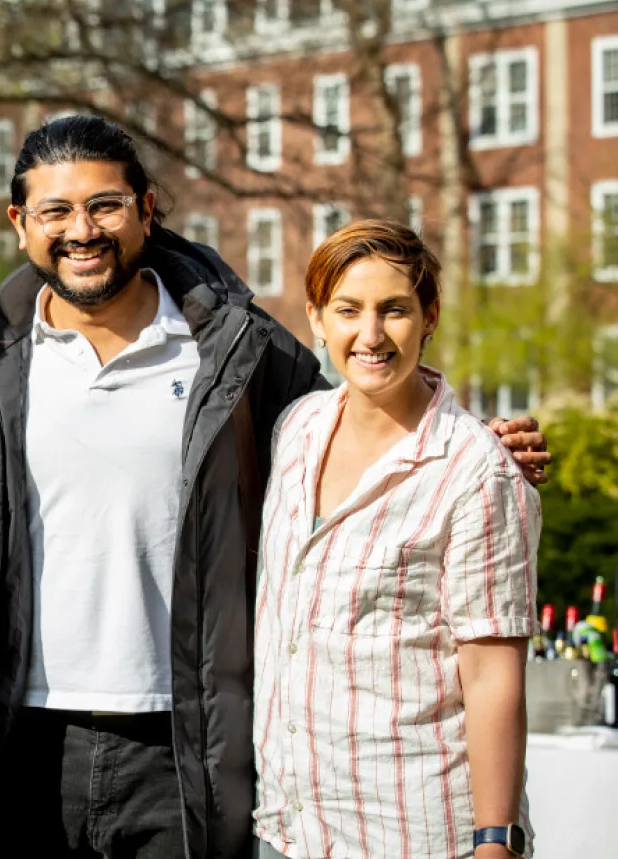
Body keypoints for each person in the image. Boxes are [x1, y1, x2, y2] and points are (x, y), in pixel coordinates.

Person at [0, 116, 550, 859]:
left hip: (182, 742)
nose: (82, 230)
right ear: (20, 224)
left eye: (105, 205)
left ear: (147, 208)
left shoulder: (238, 350)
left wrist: (474, 437)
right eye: (55, 211)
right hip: (24, 739)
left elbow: (367, 395)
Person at [253, 220, 537, 859]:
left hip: (411, 829)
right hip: (288, 826)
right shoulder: (297, 430)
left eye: (395, 310)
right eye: (349, 310)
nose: (371, 335)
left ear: (429, 315)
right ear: (317, 319)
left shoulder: (476, 469)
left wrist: (496, 842)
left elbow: (493, 674)